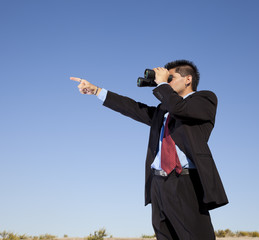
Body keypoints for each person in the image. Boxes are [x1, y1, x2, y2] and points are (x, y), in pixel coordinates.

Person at [70, 59, 228, 240]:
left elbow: (180, 109)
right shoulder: (164, 110)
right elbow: (133, 108)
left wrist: (162, 83)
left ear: (188, 79)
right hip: (158, 183)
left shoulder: (204, 99)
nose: (166, 82)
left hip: (186, 182)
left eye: (171, 78)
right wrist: (97, 90)